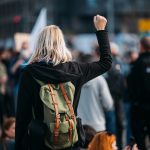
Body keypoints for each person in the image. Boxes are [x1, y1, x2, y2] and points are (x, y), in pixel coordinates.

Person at [15, 15, 112, 150]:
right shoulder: (76, 70)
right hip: (70, 140)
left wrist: (19, 144)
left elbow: (22, 117)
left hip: (39, 142)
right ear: (62, 43)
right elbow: (106, 63)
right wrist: (101, 30)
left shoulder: (30, 73)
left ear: (40, 44)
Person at [78, 54, 114, 132]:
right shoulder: (100, 80)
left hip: (78, 127)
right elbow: (108, 104)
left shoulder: (73, 80)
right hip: (97, 126)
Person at [127, 36, 150, 150]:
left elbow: (130, 86)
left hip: (139, 106)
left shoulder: (136, 65)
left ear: (141, 46)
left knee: (140, 139)